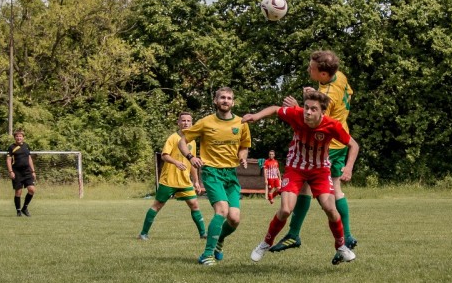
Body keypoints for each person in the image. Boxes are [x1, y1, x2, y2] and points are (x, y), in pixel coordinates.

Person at [246, 90, 360, 265]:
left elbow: (354, 145)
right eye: (306, 107)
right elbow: (276, 109)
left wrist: (349, 168)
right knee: (285, 210)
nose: (308, 112)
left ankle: (341, 246)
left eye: (313, 109)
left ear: (322, 112)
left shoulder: (332, 125)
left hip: (320, 171)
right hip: (296, 168)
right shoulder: (296, 114)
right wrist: (256, 116)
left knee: (331, 209)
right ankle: (265, 243)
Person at [270, 50, 358, 253]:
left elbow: (314, 121)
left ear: (324, 74)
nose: (309, 69)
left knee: (329, 190)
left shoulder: (329, 95)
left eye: (312, 68)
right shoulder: (340, 76)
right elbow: (347, 96)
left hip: (328, 145)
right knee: (311, 189)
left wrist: (299, 108)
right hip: (339, 137)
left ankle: (344, 236)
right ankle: (296, 234)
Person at [177, 87, 251, 266]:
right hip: (211, 172)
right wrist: (191, 157)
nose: (226, 100)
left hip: (230, 174)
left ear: (233, 102)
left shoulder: (241, 123)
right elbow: (182, 141)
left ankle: (218, 242)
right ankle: (207, 254)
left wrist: (242, 157)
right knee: (222, 211)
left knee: (234, 219)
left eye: (229, 98)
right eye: (222, 98)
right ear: (215, 101)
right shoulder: (205, 122)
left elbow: (244, 146)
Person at [138, 112, 206, 240]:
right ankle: (143, 234)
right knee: (157, 206)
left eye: (188, 121)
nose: (186, 123)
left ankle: (203, 234)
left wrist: (196, 181)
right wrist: (176, 162)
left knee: (195, 205)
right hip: (169, 180)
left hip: (185, 181)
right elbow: (164, 155)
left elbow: (193, 164)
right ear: (178, 123)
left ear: (192, 123)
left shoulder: (192, 141)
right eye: (183, 120)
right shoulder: (173, 138)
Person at [7, 129, 36, 216]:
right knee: (18, 192)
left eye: (20, 136)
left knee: (32, 190)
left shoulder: (26, 146)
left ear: (23, 137)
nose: (18, 138)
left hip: (27, 172)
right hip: (17, 172)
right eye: (17, 136)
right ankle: (18, 211)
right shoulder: (12, 147)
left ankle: (25, 208)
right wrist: (10, 171)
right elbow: (8, 160)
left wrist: (33, 171)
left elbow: (29, 158)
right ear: (15, 137)